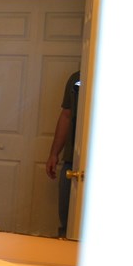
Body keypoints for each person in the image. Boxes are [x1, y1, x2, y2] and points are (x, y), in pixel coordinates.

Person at [45, 71, 80, 237]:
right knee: (67, 218)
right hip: (72, 162)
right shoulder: (76, 79)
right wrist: (54, 154)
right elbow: (66, 116)